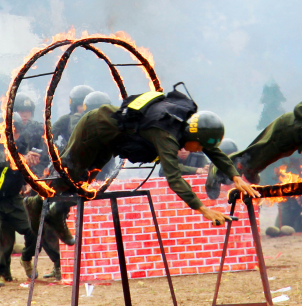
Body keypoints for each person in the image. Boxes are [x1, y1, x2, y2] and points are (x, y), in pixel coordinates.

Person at [24, 85, 260, 236]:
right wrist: (202, 209)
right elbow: (173, 177)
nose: (199, 150)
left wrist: (235, 176)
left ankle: (56, 212)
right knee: (70, 173)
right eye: (199, 145)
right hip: (95, 127)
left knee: (83, 184)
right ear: (193, 135)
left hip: (111, 141)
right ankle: (36, 201)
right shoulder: (166, 135)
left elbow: (213, 150)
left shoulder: (188, 120)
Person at [0, 116, 43, 287]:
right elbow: (0, 159)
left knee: (32, 229)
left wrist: (31, 173)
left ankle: (26, 258)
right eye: (8, 130)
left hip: (13, 198)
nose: (12, 134)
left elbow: (29, 167)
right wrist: (22, 159)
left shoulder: (23, 145)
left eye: (15, 131)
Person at [13, 93, 64, 281]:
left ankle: (58, 263)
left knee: (48, 225)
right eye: (21, 112)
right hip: (15, 186)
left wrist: (38, 180)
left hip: (38, 183)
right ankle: (26, 258)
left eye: (27, 112)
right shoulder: (7, 132)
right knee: (33, 229)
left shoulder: (38, 130)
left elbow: (45, 157)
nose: (25, 116)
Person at [51, 85, 93, 149]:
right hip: (71, 156)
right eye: (81, 105)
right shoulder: (65, 120)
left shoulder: (97, 121)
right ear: (74, 106)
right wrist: (59, 152)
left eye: (86, 106)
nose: (83, 109)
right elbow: (48, 138)